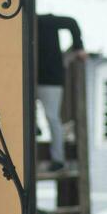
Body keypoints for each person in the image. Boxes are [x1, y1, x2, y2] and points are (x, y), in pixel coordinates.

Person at [35, 14, 86, 172]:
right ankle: (35, 127)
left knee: (52, 117)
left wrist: (78, 47)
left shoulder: (45, 21)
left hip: (51, 78)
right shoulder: (24, 23)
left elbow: (72, 22)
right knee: (26, 112)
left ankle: (58, 159)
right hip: (32, 78)